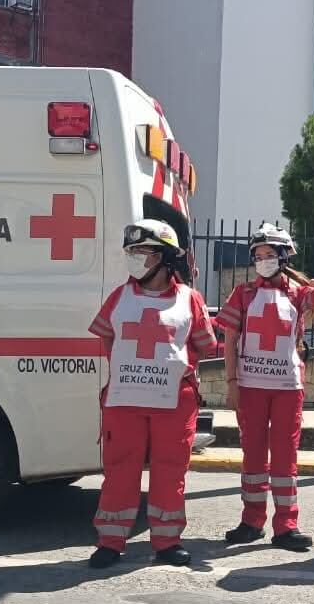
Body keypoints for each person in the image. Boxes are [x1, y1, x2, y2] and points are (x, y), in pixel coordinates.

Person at [86, 220, 217, 569]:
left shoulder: (191, 300)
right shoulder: (119, 296)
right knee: (119, 471)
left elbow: (205, 345)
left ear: (164, 258)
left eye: (142, 251)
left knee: (170, 472)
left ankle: (167, 541)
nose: (134, 258)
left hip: (173, 404)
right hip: (124, 401)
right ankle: (110, 542)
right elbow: (108, 340)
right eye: (131, 251)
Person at [217, 224, 314, 551]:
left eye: (270, 255)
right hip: (250, 386)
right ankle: (251, 521)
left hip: (288, 387)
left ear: (284, 257)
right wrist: (231, 383)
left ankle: (286, 525)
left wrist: (298, 277)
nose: (262, 261)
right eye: (258, 256)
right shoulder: (242, 294)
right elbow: (229, 342)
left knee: (285, 457)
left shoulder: (298, 295)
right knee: (253, 456)